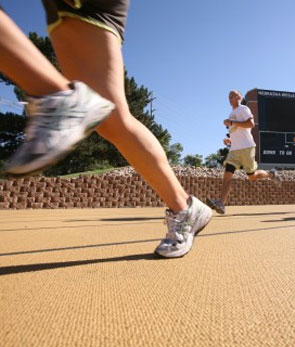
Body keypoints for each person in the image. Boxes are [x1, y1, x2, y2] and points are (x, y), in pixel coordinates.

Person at [0, 1, 212, 258]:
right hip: (61, 9)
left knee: (111, 117)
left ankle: (55, 98)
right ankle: (184, 207)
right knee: (112, 120)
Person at [207, 90, 279, 214]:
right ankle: (221, 203)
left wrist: (231, 122)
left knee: (252, 177)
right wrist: (229, 140)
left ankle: (271, 174)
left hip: (247, 148)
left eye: (232, 96)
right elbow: (236, 131)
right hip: (234, 150)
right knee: (227, 175)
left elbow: (250, 124)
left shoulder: (243, 109)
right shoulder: (231, 113)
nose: (229, 98)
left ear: (239, 97)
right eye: (228, 97)